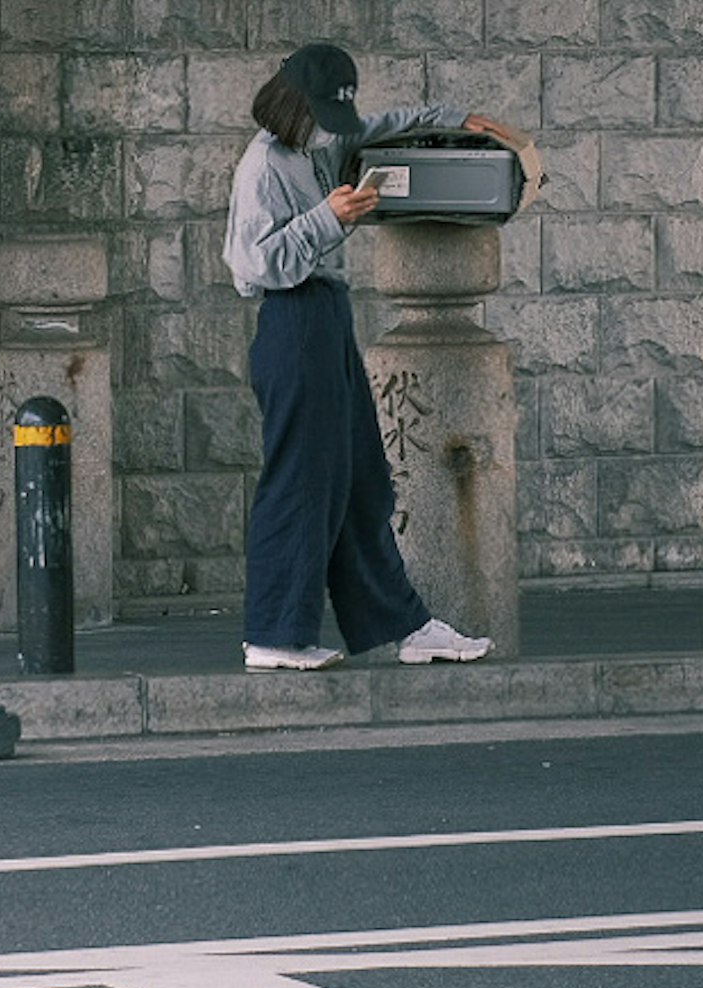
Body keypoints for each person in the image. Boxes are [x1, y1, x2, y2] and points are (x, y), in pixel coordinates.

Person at [222, 41, 536, 670]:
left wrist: (453, 118)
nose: (333, 130)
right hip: (292, 319)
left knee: (364, 478)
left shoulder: (322, 143)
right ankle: (274, 636)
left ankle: (408, 627)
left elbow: (382, 126)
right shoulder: (263, 164)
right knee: (302, 479)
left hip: (328, 316)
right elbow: (251, 265)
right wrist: (327, 218)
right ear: (293, 102)